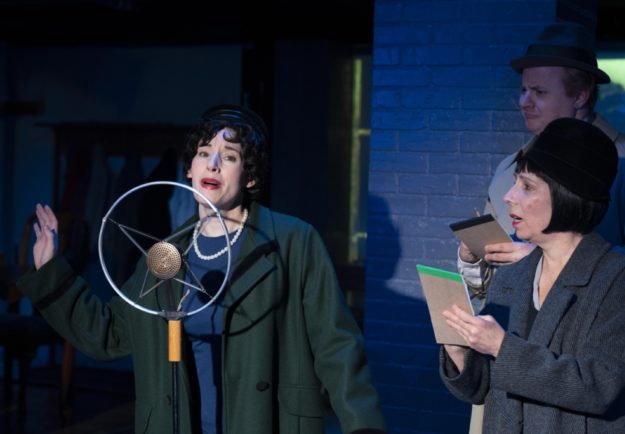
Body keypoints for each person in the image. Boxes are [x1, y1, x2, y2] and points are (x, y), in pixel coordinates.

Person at [17, 104, 386, 434]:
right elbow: (109, 333)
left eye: (228, 157)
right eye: (204, 153)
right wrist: (52, 270)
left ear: (250, 176)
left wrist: (363, 426)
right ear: (190, 169)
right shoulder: (165, 255)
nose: (212, 164)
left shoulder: (293, 241)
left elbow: (337, 346)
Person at [441, 117, 625, 433]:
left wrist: (501, 347)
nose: (509, 196)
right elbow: (480, 389)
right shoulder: (513, 276)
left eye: (526, 187)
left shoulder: (623, 281)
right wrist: (459, 352)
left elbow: (597, 386)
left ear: (567, 194)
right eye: (515, 182)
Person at [458, 21, 625, 304]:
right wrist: (472, 261)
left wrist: (548, 262)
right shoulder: (508, 170)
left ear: (581, 95)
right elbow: (487, 283)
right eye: (523, 90)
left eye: (540, 92)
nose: (525, 101)